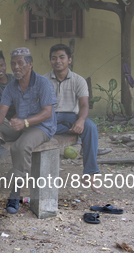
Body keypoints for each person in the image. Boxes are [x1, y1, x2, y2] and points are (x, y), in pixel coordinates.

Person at [0, 47, 57, 214]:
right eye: (13, 64)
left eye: (20, 63)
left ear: (30, 64)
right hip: (20, 123)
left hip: (41, 127)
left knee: (20, 146)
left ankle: (15, 193)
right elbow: (2, 110)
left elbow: (47, 112)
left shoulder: (43, 83)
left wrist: (25, 122)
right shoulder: (11, 87)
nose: (16, 67)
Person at [44, 44, 103, 194]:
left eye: (62, 57)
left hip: (71, 116)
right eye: (54, 58)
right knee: (42, 129)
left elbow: (84, 105)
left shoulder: (79, 80)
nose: (58, 61)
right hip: (50, 116)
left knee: (90, 127)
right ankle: (70, 131)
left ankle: (90, 174)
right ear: (50, 61)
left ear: (69, 60)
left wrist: (81, 120)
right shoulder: (43, 80)